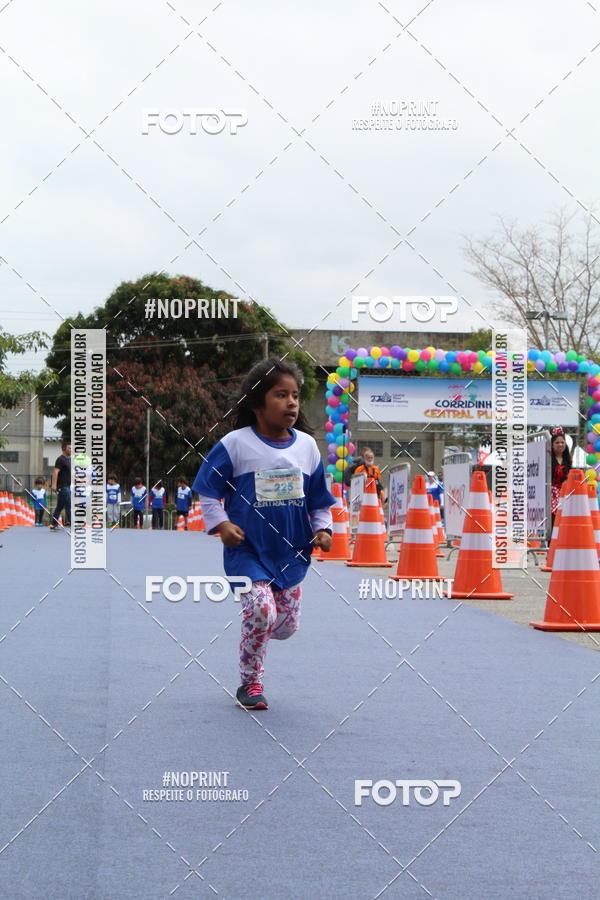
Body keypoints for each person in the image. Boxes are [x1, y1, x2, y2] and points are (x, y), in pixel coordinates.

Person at [193, 358, 334, 711]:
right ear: (258, 404)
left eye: (296, 396)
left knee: (285, 626)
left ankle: (257, 628)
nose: (291, 403)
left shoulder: (306, 448)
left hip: (291, 551)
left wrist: (323, 528)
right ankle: (250, 683)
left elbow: (320, 500)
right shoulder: (235, 444)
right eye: (280, 395)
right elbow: (208, 490)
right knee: (260, 611)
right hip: (247, 551)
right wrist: (222, 524)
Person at [550, 427, 572, 529]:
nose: (560, 445)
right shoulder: (548, 458)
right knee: (553, 522)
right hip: (550, 495)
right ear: (552, 445)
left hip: (564, 494)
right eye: (557, 442)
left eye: (562, 442)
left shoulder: (568, 460)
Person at [49, 441, 72, 530]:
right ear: (64, 449)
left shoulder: (68, 460)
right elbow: (55, 472)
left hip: (67, 486)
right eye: (69, 448)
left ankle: (53, 524)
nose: (71, 450)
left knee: (60, 506)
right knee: (68, 505)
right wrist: (54, 485)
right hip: (63, 486)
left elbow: (69, 473)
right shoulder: (60, 459)